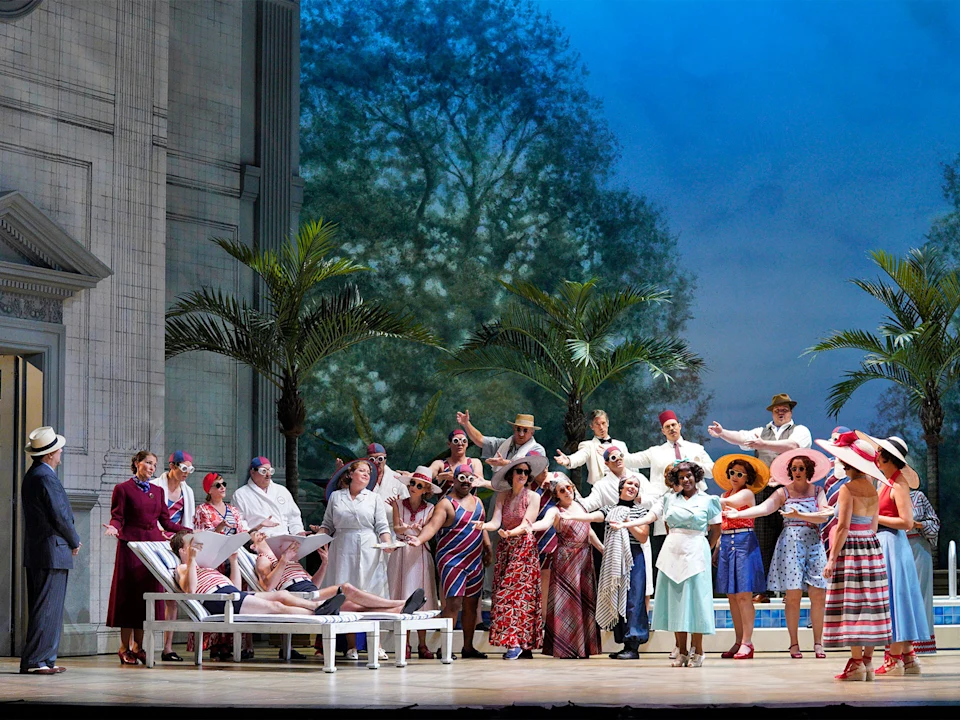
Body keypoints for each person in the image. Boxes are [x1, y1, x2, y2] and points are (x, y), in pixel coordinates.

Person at [723, 448, 831, 659]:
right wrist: (740, 513)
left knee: (818, 594)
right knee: (793, 596)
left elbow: (824, 515)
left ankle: (818, 643)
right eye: (794, 468)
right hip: (791, 543)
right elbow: (764, 508)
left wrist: (800, 513)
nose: (798, 471)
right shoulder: (784, 492)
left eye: (801, 468)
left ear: (808, 470)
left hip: (813, 543)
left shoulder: (817, 491)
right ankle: (794, 644)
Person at [615, 460, 721, 668]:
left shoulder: (709, 500)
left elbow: (716, 530)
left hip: (697, 551)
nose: (686, 480)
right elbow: (655, 518)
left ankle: (697, 649)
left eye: (689, 476)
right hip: (673, 552)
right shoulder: (669, 499)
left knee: (696, 602)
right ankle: (681, 650)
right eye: (681, 477)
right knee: (676, 603)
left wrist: (704, 549)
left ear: (696, 476)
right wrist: (627, 523)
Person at [709, 393, 812, 602]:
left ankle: (789, 591)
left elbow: (792, 447)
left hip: (790, 490)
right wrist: (722, 433)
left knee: (790, 540)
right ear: (772, 412)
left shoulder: (800, 430)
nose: (780, 412)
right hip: (764, 489)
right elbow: (741, 437)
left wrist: (762, 444)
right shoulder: (761, 431)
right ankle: (762, 590)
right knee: (763, 540)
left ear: (791, 411)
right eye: (777, 409)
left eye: (784, 409)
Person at [815, 433, 892, 681]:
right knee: (870, 602)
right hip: (871, 545)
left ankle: (857, 662)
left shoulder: (848, 489)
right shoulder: (872, 488)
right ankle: (867, 662)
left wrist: (831, 558)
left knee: (854, 602)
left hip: (853, 548)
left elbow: (843, 526)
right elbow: (874, 525)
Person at [858, 433, 931, 676]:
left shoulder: (899, 484)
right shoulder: (883, 482)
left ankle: (895, 658)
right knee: (892, 600)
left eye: (879, 455)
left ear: (888, 459)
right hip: (884, 543)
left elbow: (907, 521)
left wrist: (875, 519)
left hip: (894, 546)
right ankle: (908, 657)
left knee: (896, 601)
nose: (876, 458)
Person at [104, 451, 185, 665]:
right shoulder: (123, 489)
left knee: (145, 598)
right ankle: (124, 647)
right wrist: (114, 528)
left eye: (154, 464)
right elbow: (117, 516)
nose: (151, 467)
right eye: (148, 463)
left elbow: (167, 523)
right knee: (127, 598)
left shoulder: (158, 492)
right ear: (137, 464)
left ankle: (139, 647)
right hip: (130, 547)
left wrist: (189, 531)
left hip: (151, 549)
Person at [407, 464, 492, 659]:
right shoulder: (446, 503)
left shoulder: (478, 502)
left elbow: (483, 527)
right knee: (453, 603)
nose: (466, 483)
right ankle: (444, 648)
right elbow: (433, 526)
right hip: (452, 560)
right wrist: (419, 539)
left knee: (472, 604)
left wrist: (487, 548)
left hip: (474, 561)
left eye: (470, 479)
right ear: (453, 480)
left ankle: (468, 647)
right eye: (461, 478)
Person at [561, 475, 650, 659]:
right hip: (614, 558)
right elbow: (592, 517)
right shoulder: (610, 509)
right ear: (621, 488)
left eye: (636, 485)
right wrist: (572, 515)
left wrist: (626, 523)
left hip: (633, 557)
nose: (633, 487)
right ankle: (624, 643)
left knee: (634, 599)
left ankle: (633, 645)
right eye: (629, 484)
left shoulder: (642, 512)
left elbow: (643, 537)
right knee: (617, 598)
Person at [316, 458, 394, 660]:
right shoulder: (336, 497)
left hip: (369, 547)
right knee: (345, 593)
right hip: (342, 547)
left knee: (370, 592)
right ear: (350, 474)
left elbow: (382, 527)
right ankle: (352, 646)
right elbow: (328, 524)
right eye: (362, 470)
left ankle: (375, 644)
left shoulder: (374, 498)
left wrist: (387, 544)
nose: (367, 474)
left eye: (369, 472)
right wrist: (317, 539)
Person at [622, 411, 712, 583]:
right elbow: (632, 460)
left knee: (694, 556)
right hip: (668, 506)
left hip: (693, 506)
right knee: (667, 556)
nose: (671, 429)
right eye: (667, 427)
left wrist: (693, 464)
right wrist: (614, 454)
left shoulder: (696, 449)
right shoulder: (656, 452)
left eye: (673, 425)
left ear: (680, 426)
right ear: (662, 431)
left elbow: (712, 471)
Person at [170, 531, 346, 617]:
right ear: (182, 550)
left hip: (231, 595)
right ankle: (317, 610)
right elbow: (190, 590)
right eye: (191, 547)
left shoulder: (207, 567)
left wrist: (233, 561)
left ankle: (321, 606)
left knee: (282, 594)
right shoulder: (183, 568)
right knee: (276, 607)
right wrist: (191, 559)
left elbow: (236, 588)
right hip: (218, 600)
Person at [474, 455, 547, 660]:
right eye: (519, 471)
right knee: (506, 595)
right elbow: (496, 522)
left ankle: (517, 642)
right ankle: (518, 642)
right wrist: (483, 526)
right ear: (511, 474)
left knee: (516, 596)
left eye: (526, 472)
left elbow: (527, 523)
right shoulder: (503, 496)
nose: (523, 475)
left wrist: (511, 533)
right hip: (506, 548)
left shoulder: (533, 497)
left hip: (524, 548)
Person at [20, 427, 80, 675]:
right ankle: (37, 660)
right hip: (51, 550)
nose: (61, 451)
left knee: (46, 606)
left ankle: (44, 659)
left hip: (41, 550)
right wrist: (74, 540)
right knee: (47, 607)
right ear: (49, 454)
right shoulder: (45, 477)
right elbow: (60, 515)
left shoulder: (35, 474)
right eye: (58, 449)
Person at [527, 477, 603, 659]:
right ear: (556, 495)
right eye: (562, 490)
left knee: (584, 603)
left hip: (584, 558)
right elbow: (545, 523)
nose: (567, 491)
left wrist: (601, 547)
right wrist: (529, 526)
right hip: (566, 558)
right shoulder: (555, 510)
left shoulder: (581, 506)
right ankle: (566, 648)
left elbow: (588, 528)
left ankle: (584, 648)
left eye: (568, 487)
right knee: (567, 604)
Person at [191, 472, 255, 661]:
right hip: (214, 561)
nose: (222, 487)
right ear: (209, 490)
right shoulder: (202, 510)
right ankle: (214, 645)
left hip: (233, 559)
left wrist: (256, 531)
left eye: (224, 484)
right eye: (218, 485)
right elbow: (200, 536)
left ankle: (230, 644)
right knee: (217, 600)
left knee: (235, 598)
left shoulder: (233, 510)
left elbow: (242, 533)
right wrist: (218, 530)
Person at [713, 454, 770, 660]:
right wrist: (718, 547)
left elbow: (728, 503)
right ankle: (738, 641)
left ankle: (747, 641)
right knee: (732, 596)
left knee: (744, 595)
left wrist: (702, 496)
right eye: (732, 473)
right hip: (728, 543)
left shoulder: (746, 494)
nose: (735, 476)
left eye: (739, 474)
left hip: (744, 542)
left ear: (747, 478)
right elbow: (721, 524)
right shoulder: (725, 493)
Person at [580, 447, 653, 605]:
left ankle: (642, 624)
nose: (618, 459)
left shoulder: (639, 478)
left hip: (638, 534)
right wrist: (571, 500)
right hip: (616, 542)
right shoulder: (602, 485)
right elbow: (589, 504)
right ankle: (619, 627)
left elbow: (655, 501)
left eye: (620, 455)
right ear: (606, 463)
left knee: (643, 584)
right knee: (617, 586)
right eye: (613, 458)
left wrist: (637, 496)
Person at [387, 466, 441, 659]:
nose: (414, 487)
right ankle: (405, 644)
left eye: (419, 485)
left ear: (426, 489)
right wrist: (410, 528)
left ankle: (423, 644)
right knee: (403, 595)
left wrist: (414, 529)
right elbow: (397, 529)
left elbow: (426, 532)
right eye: (412, 483)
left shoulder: (430, 508)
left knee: (421, 595)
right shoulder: (398, 504)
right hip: (402, 552)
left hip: (419, 554)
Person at [149, 450, 196, 662]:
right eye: (183, 468)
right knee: (150, 594)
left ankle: (167, 647)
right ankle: (139, 645)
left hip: (176, 545)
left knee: (173, 597)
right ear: (173, 466)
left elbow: (188, 521)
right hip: (156, 543)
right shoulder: (155, 486)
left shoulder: (188, 491)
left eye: (189, 469)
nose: (186, 473)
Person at [231, 457, 305, 539]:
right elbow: (240, 522)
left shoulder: (282, 490)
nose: (268, 475)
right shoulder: (240, 495)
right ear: (252, 472)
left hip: (285, 538)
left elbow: (294, 517)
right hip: (259, 542)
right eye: (263, 471)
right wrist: (254, 537)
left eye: (270, 471)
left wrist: (298, 532)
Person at [554, 409, 628, 487]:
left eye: (603, 423)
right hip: (601, 488)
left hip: (622, 486)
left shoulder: (621, 445)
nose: (601, 427)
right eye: (597, 424)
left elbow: (631, 466)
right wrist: (569, 460)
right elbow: (580, 456)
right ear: (592, 426)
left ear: (608, 423)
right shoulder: (588, 445)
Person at [908, 485, 939, 655]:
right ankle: (900, 645)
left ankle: (922, 643)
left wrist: (918, 524)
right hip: (896, 545)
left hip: (918, 545)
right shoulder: (886, 497)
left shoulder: (918, 497)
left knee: (921, 593)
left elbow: (934, 522)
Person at [430, 429, 487, 494]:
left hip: (469, 503)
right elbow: (426, 474)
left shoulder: (474, 462)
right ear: (449, 444)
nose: (460, 443)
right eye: (456, 441)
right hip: (447, 503)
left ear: (467, 444)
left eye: (464, 441)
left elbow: (479, 481)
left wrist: (455, 477)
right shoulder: (441, 464)